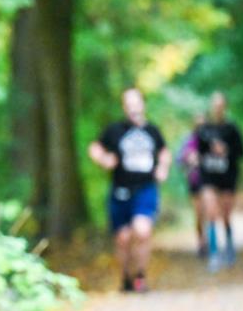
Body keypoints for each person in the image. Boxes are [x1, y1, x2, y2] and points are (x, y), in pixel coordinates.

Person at [88, 88, 171, 293]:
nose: (133, 107)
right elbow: (95, 147)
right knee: (123, 238)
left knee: (142, 231)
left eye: (136, 103)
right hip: (120, 190)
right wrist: (103, 159)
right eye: (128, 104)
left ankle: (140, 276)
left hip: (145, 188)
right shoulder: (115, 130)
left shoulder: (152, 131)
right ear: (124, 107)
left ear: (143, 105)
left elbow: (164, 152)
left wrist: (162, 167)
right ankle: (125, 277)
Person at [196, 92, 243, 271]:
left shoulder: (232, 129)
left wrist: (226, 150)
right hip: (208, 177)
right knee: (211, 213)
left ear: (225, 107)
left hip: (227, 177)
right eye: (214, 104)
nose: (217, 108)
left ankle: (230, 246)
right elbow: (198, 153)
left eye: (220, 105)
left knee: (225, 214)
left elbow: (241, 152)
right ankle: (214, 254)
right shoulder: (203, 130)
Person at [176, 113, 205, 257]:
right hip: (195, 180)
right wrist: (188, 157)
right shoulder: (188, 140)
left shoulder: (211, 138)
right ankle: (202, 242)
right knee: (199, 214)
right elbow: (178, 159)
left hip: (211, 181)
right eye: (197, 124)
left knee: (209, 213)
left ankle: (210, 243)